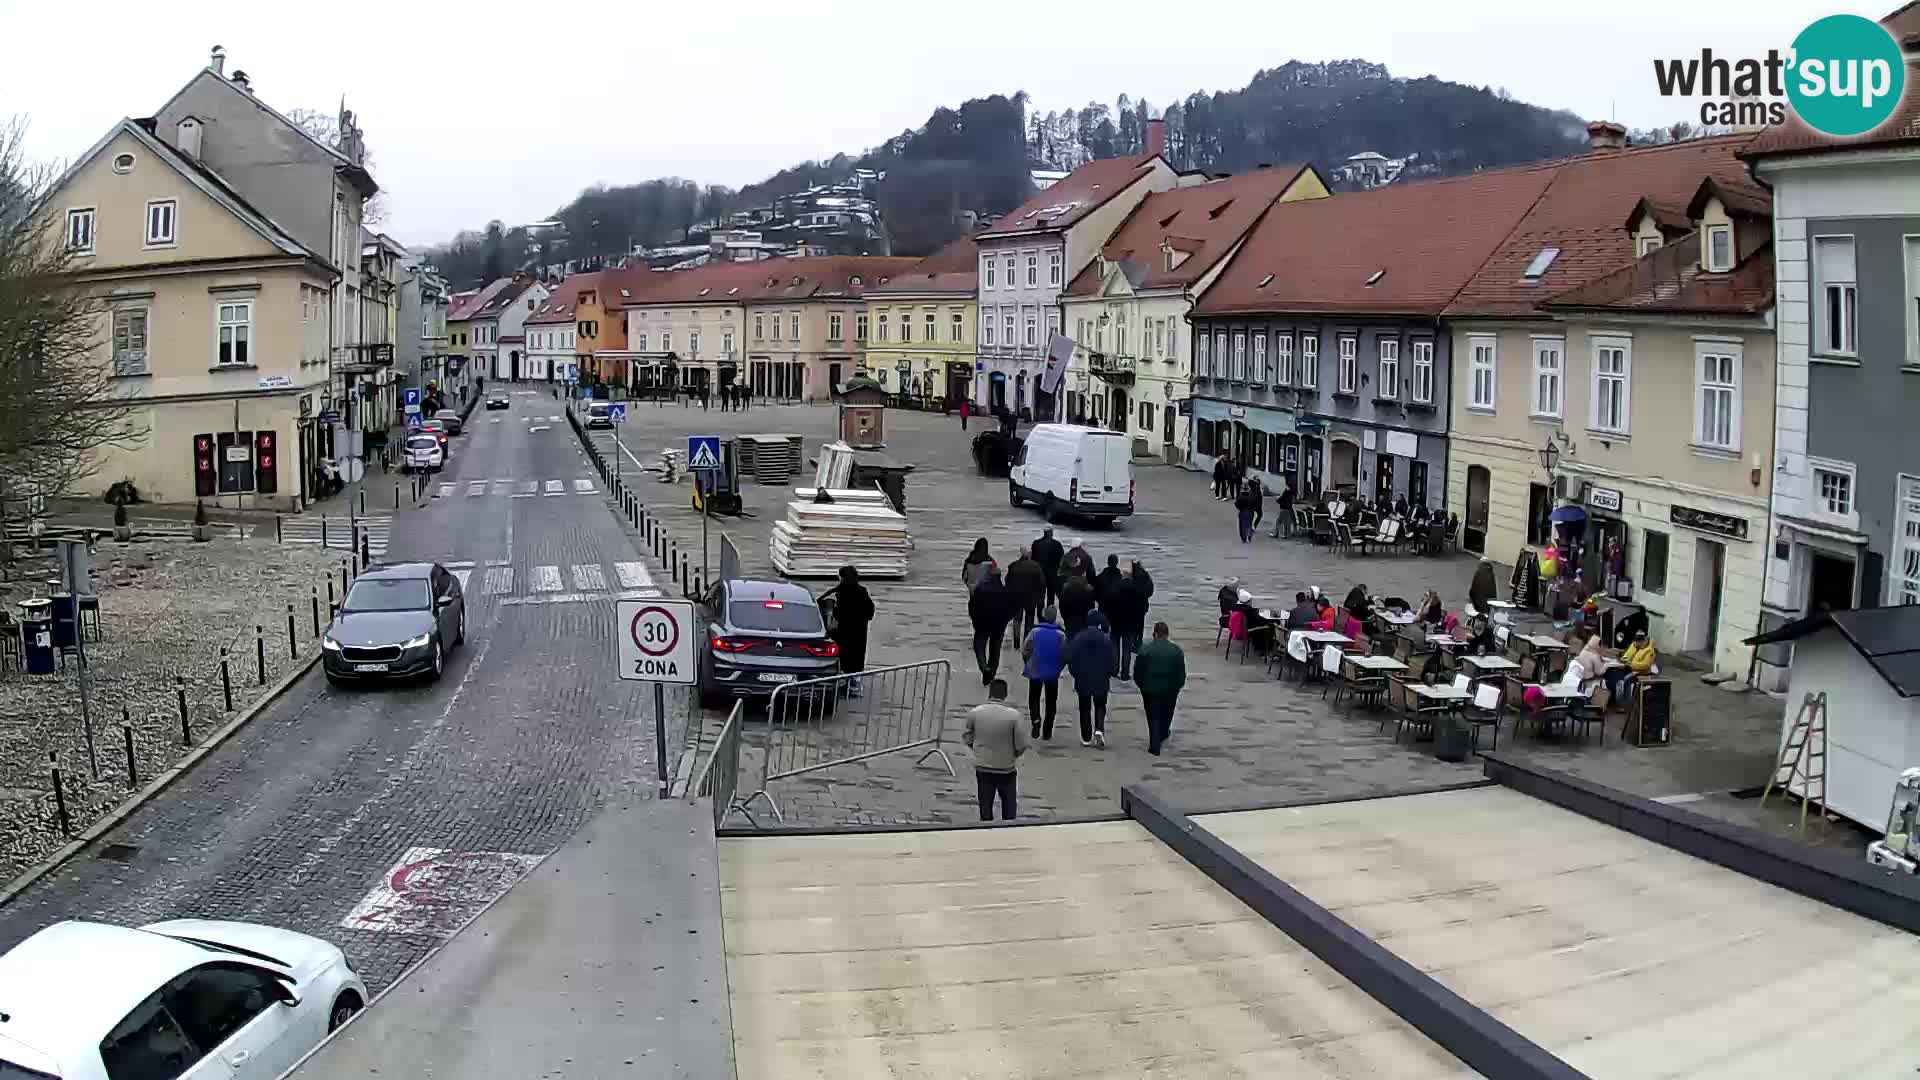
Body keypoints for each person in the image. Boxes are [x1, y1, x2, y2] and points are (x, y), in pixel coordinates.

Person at [963, 679, 1028, 821]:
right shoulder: (1014, 716)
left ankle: (986, 831)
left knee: (985, 805)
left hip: (983, 766)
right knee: (1009, 805)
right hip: (1006, 767)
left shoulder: (975, 713)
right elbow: (1021, 744)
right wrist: (1013, 754)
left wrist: (978, 751)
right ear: (1005, 694)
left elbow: (967, 738)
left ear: (990, 692)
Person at [819, 565, 874, 695]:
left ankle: (842, 682)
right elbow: (870, 612)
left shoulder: (838, 592)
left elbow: (829, 610)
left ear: (842, 577)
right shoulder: (862, 592)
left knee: (842, 656)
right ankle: (854, 685)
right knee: (856, 657)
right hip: (859, 633)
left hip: (842, 632)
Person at [1133, 622, 1187, 756]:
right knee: (1167, 713)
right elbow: (1181, 674)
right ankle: (1162, 733)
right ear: (1167, 634)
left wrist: (1142, 686)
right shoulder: (1176, 651)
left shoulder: (1145, 650)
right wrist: (1177, 687)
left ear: (1155, 634)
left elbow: (1138, 672)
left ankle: (1154, 742)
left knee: (1152, 716)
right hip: (1170, 689)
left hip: (1150, 689)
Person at [1067, 610, 1114, 747]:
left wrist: (1076, 673)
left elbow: (1072, 658)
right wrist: (1108, 673)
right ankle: (1099, 728)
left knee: (1084, 707)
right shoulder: (1106, 639)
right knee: (1100, 705)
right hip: (1101, 677)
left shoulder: (1079, 637)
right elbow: (1112, 660)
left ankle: (1086, 736)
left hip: (1083, 677)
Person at [1021, 606, 1067, 739]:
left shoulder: (1034, 632)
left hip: (1035, 670)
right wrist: (1059, 667)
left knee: (1034, 698)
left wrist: (1028, 663)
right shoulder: (1060, 635)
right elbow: (1065, 655)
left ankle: (1035, 719)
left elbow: (1025, 650)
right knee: (1051, 702)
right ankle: (1047, 731)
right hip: (1052, 672)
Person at [968, 567, 1017, 684]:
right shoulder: (1005, 591)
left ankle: (984, 667)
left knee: (979, 647)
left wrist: (975, 620)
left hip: (981, 625)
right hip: (998, 626)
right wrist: (1004, 620)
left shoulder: (980, 590)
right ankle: (991, 672)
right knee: (995, 651)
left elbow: (972, 607)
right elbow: (1012, 609)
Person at [1108, 568, 1147, 682]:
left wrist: (1110, 618)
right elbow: (1140, 607)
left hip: (1116, 622)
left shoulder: (1115, 587)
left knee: (1115, 647)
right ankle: (1125, 673)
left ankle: (1114, 670)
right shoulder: (1136, 589)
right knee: (1127, 650)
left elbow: (1110, 604)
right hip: (1130, 624)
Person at [1004, 546, 1047, 644]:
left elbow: (1007, 582)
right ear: (1029, 554)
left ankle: (1016, 642)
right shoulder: (1036, 566)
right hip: (1031, 598)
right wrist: (1041, 597)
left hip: (1016, 598)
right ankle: (1026, 641)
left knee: (1017, 620)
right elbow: (1042, 583)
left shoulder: (1013, 566)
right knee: (1029, 620)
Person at [1606, 629, 1657, 702]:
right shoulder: (1634, 645)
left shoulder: (1649, 651)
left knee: (1625, 680)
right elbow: (1627, 655)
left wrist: (1630, 664)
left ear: (1644, 640)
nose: (1635, 643)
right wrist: (1623, 660)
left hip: (1640, 672)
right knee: (1612, 673)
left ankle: (1622, 702)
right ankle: (1613, 696)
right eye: (1635, 641)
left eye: (1638, 641)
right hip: (1629, 668)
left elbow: (1645, 665)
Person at [1033, 527, 1065, 607]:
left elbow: (1033, 559)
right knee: (1051, 596)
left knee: (1041, 596)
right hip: (1052, 574)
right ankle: (1049, 614)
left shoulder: (1036, 543)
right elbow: (1061, 559)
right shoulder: (1057, 544)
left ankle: (1040, 615)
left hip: (1040, 574)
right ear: (1051, 532)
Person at [1059, 568, 1096, 633]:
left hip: (1070, 620)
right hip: (1083, 621)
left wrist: (1065, 619)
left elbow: (1062, 607)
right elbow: (1091, 606)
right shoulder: (1088, 589)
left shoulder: (1065, 589)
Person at [1094, 554, 1123, 621]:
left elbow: (1094, 594)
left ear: (1108, 562)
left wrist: (1101, 601)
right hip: (1117, 609)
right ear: (1117, 563)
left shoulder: (1100, 577)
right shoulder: (1121, 579)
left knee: (1103, 629)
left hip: (1103, 608)